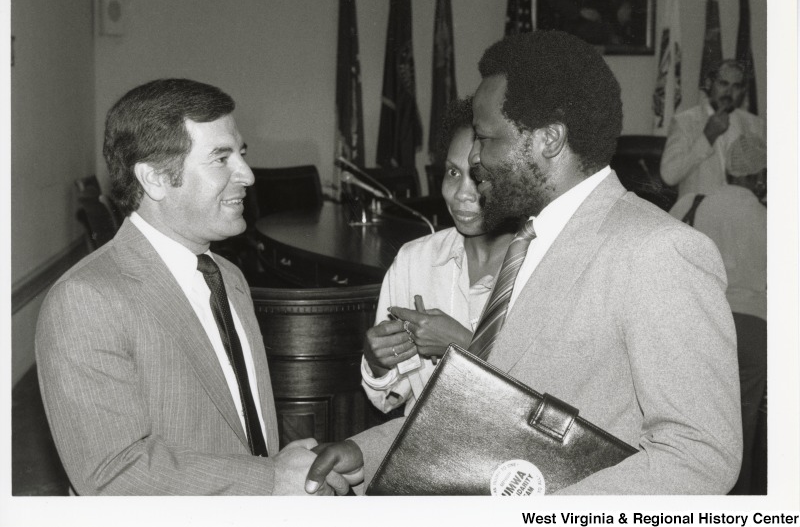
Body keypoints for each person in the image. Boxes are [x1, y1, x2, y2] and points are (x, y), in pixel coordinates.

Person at [306, 30, 742, 495]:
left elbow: (700, 455)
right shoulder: (528, 240)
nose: (474, 158)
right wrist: (367, 453)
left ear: (549, 140)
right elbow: (498, 411)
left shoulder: (658, 250)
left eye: (487, 139)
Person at [36, 78, 349, 496]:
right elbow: (113, 476)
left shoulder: (229, 276)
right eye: (221, 158)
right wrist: (271, 480)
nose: (248, 175)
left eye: (241, 153)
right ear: (155, 179)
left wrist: (283, 471)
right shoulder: (86, 300)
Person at [360, 98, 514, 415]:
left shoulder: (542, 267)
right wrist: (377, 361)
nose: (461, 194)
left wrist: (462, 346)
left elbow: (546, 402)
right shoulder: (414, 261)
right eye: (453, 173)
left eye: (480, 176)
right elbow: (390, 396)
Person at [669, 134, 767, 495]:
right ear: (761, 177)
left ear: (726, 167)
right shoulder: (773, 219)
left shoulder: (693, 202)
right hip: (757, 331)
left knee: (695, 422)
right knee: (744, 426)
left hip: (704, 324)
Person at [660, 59, 765, 197]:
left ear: (743, 90)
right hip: (699, 213)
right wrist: (707, 137)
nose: (729, 92)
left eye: (736, 86)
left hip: (740, 213)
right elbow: (669, 176)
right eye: (723, 83)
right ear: (709, 84)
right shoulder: (685, 122)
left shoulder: (755, 124)